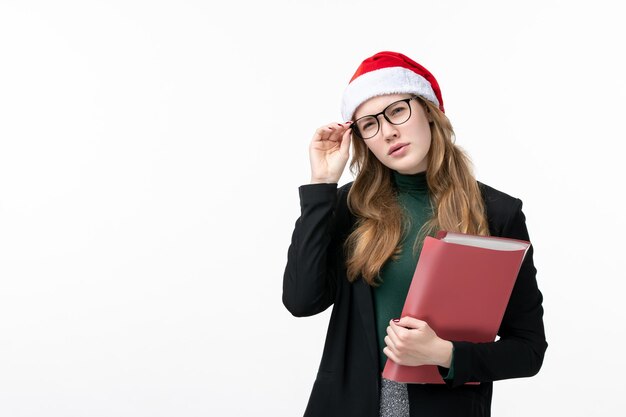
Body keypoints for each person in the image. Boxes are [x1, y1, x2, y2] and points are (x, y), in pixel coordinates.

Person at [282, 51, 548, 417]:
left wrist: (444, 354)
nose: (388, 131)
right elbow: (301, 300)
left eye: (397, 111)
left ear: (429, 111)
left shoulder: (497, 212)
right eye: (369, 124)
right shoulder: (349, 206)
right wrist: (320, 187)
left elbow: (529, 350)